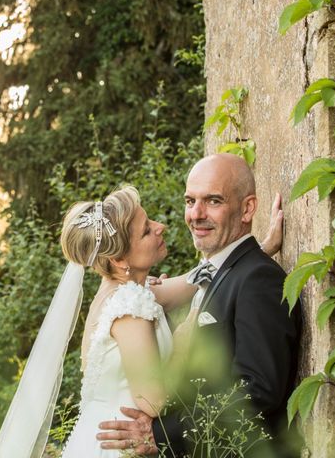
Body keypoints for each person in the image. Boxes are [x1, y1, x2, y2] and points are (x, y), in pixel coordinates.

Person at [0, 169, 283, 458]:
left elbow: (197, 279)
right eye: (145, 230)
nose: (160, 227)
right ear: (119, 259)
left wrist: (258, 249)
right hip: (118, 445)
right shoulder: (129, 307)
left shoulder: (125, 293)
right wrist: (182, 344)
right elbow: (152, 401)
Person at [96, 154, 301, 457]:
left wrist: (163, 435)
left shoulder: (259, 279)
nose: (196, 214)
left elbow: (257, 392)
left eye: (213, 201)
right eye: (190, 201)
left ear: (247, 209)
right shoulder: (218, 273)